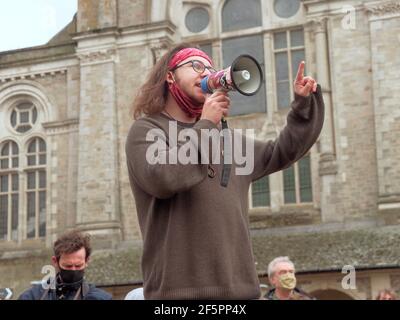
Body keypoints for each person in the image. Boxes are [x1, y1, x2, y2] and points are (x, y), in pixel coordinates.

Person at [125, 43, 324, 299]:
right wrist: (207, 124)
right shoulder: (147, 130)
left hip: (240, 294)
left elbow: (283, 151)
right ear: (170, 75)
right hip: (179, 295)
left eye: (210, 67)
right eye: (196, 65)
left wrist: (303, 104)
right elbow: (163, 178)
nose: (205, 72)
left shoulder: (226, 140)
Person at [19, 230, 112, 300]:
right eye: (68, 266)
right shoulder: (33, 296)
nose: (73, 270)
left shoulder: (100, 298)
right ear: (55, 261)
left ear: (87, 261)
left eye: (78, 265)